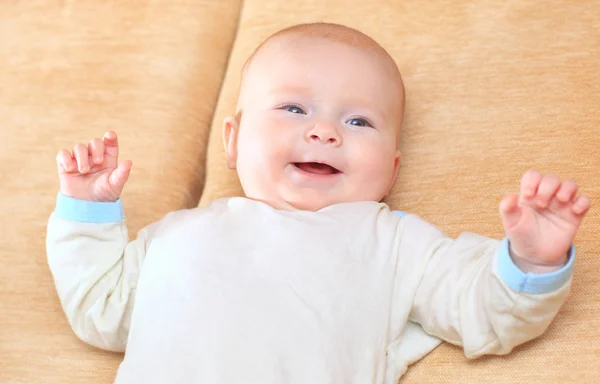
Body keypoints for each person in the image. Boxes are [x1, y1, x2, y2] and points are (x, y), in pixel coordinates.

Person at [47, 22, 591, 383]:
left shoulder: (394, 243)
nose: (327, 132)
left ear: (392, 169)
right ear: (232, 142)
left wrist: (531, 262)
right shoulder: (179, 233)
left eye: (359, 121)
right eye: (293, 108)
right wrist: (87, 213)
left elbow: (482, 309)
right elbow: (101, 308)